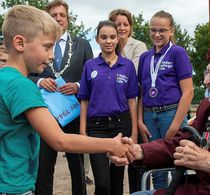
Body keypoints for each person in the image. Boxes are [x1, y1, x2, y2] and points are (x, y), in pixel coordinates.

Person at [0, 5, 134, 195]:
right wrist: (112, 144)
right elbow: (60, 141)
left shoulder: (3, 78)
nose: (52, 55)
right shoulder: (23, 87)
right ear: (20, 43)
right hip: (14, 187)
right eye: (46, 46)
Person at [110, 42, 210, 195]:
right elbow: (179, 144)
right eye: (207, 73)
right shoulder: (209, 108)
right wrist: (138, 150)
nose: (207, 80)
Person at [28, 1, 93, 194]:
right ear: (47, 18)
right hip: (45, 114)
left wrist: (78, 86)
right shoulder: (37, 44)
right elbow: (28, 73)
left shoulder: (82, 44)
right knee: (44, 167)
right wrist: (40, 83)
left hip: (73, 113)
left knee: (77, 167)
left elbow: (90, 76)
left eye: (62, 15)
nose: (58, 18)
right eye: (53, 15)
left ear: (68, 18)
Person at [78, 20, 138, 195]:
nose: (108, 41)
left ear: (118, 39)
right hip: (96, 128)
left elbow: (131, 100)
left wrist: (133, 131)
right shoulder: (90, 66)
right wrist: (83, 131)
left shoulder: (127, 66)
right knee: (102, 183)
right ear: (97, 39)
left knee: (117, 182)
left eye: (112, 37)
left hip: (121, 126)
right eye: (104, 37)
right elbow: (84, 99)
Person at [137, 10, 193, 189]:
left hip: (171, 113)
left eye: (162, 30)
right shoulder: (146, 56)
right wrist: (139, 120)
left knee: (177, 163)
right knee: (156, 166)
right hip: (149, 116)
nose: (157, 34)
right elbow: (141, 90)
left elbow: (188, 92)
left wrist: (175, 126)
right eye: (153, 30)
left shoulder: (178, 53)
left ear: (171, 31)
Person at [108, 8, 147, 193]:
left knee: (134, 158)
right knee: (115, 162)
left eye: (125, 24)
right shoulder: (105, 48)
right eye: (118, 24)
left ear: (130, 27)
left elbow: (131, 71)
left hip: (133, 107)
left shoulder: (138, 46)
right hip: (113, 110)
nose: (122, 28)